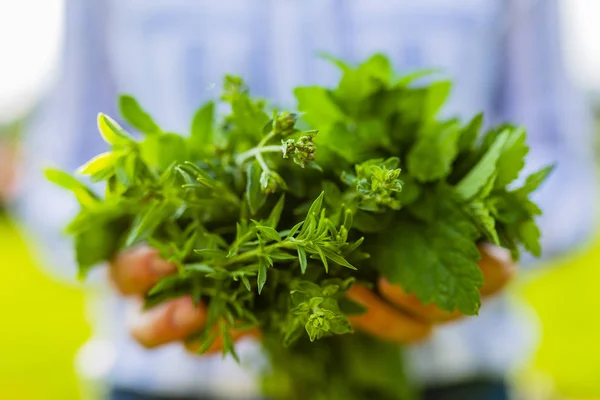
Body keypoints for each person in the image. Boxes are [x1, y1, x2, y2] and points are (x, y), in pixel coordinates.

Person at [16, 1, 597, 399]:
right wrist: (131, 251)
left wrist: (478, 257)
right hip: (167, 384)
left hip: (449, 382)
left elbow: (561, 165)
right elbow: (57, 173)